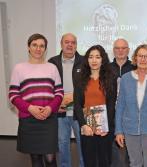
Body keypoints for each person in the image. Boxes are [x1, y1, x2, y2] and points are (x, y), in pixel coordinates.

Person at [9, 33, 63, 167]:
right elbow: (13, 94)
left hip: (48, 118)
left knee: (50, 159)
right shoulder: (19, 68)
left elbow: (59, 93)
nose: (38, 49)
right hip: (28, 119)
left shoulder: (52, 68)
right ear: (28, 47)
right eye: (34, 45)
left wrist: (50, 108)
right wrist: (30, 108)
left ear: (45, 49)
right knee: (36, 159)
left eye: (41, 46)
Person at [74, 45, 117, 167]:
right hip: (87, 126)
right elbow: (77, 104)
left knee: (105, 160)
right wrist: (83, 125)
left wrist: (106, 126)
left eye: (97, 57)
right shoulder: (80, 78)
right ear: (87, 60)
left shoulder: (110, 78)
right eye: (91, 57)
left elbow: (111, 104)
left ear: (102, 59)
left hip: (105, 127)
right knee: (89, 160)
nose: (94, 60)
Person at [48, 33, 84, 167]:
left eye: (73, 42)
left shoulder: (85, 61)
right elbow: (47, 86)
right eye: (67, 42)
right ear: (61, 44)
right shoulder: (52, 62)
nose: (70, 45)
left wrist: (72, 100)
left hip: (79, 111)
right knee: (62, 143)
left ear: (76, 45)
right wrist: (55, 102)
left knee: (83, 143)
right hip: (60, 111)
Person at [110, 38, 134, 167]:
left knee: (132, 148)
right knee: (113, 149)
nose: (120, 51)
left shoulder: (135, 67)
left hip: (131, 114)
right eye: (117, 48)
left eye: (123, 48)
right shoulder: (106, 68)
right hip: (111, 114)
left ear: (128, 50)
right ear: (113, 51)